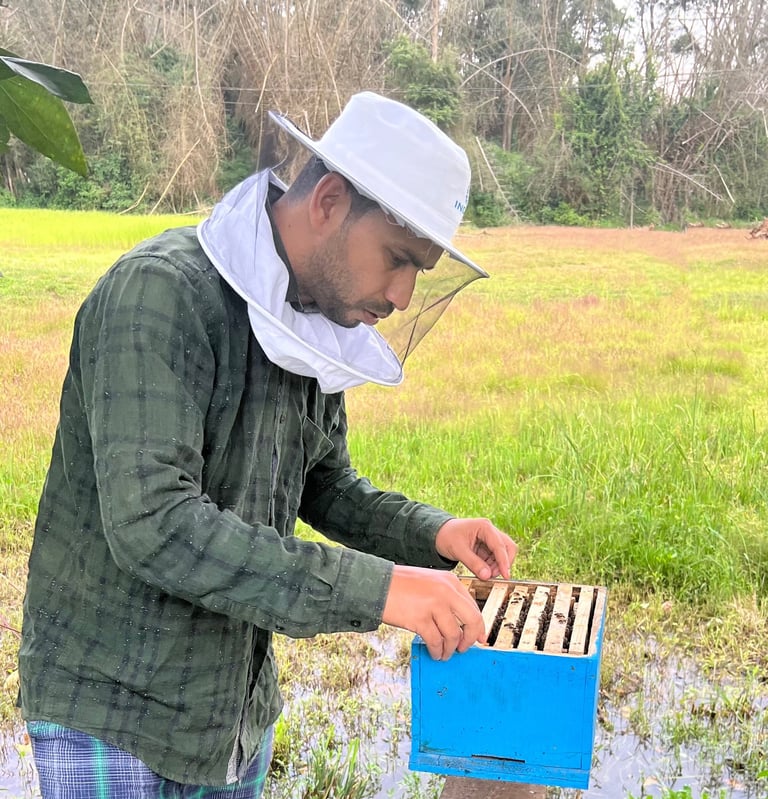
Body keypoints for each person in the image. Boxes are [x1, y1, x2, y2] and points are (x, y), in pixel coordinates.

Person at [18, 91, 517, 798]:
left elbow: (326, 483)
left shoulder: (317, 324)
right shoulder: (160, 295)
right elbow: (155, 525)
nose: (403, 295)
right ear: (330, 201)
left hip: (232, 715)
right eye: (399, 259)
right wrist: (380, 590)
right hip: (113, 710)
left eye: (420, 273)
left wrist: (434, 536)